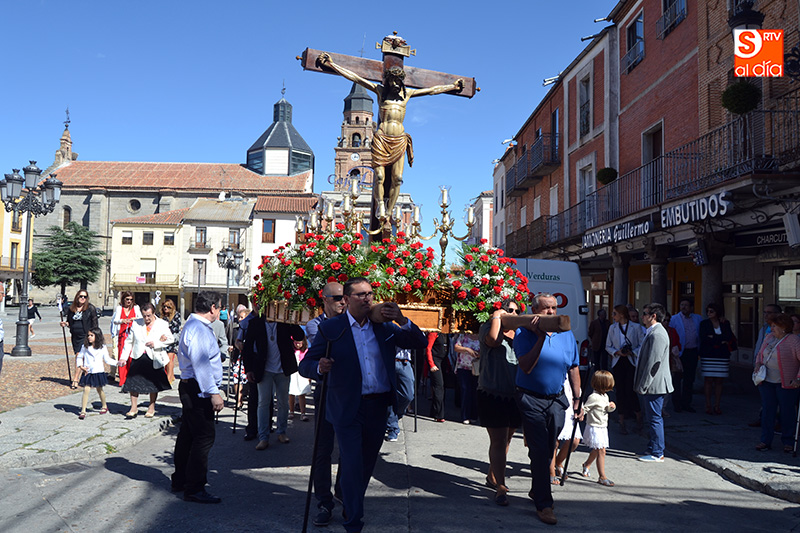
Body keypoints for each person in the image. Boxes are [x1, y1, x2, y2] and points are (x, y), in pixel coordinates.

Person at [298, 277, 426, 533]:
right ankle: (354, 521)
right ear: (346, 300)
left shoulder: (384, 328)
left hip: (378, 407)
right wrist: (319, 367)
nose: (367, 298)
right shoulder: (332, 328)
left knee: (366, 464)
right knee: (353, 464)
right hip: (347, 407)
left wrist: (401, 319)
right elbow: (305, 365)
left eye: (369, 293)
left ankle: (349, 501)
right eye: (360, 294)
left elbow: (419, 342)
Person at [316, 50, 464, 226]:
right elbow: (356, 78)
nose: (394, 84)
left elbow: (432, 90)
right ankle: (380, 206)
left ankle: (388, 211)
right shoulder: (380, 92)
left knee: (398, 179)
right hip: (381, 138)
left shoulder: (407, 95)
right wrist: (332, 65)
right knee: (378, 176)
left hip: (399, 140)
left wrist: (453, 87)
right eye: (391, 81)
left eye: (397, 81)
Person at [513, 293, 581, 526]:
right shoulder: (523, 332)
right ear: (535, 312)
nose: (551, 312)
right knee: (541, 450)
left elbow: (573, 367)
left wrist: (577, 397)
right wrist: (540, 338)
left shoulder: (566, 333)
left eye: (554, 308)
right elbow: (526, 366)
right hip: (530, 399)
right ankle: (544, 503)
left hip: (557, 400)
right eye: (546, 309)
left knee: (548, 447)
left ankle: (536, 488)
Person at [171, 290, 225, 503]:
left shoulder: (194, 326)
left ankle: (181, 480)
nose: (219, 311)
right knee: (203, 438)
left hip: (191, 387)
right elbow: (201, 365)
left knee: (188, 435)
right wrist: (214, 393)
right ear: (212, 308)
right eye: (219, 307)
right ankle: (194, 487)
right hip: (198, 389)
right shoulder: (200, 330)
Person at [304, 282, 346, 527]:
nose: (343, 302)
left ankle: (342, 490)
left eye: (345, 297)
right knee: (322, 450)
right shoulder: (316, 326)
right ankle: (323, 501)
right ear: (325, 301)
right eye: (338, 298)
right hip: (326, 393)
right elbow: (308, 363)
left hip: (350, 396)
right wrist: (320, 367)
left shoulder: (354, 324)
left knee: (349, 449)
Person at [476, 300, 521, 507]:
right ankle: (500, 486)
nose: (512, 313)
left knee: (507, 438)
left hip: (515, 394)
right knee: (499, 440)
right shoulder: (488, 327)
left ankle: (492, 475)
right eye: (508, 310)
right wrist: (497, 316)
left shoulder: (520, 332)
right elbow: (493, 340)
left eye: (515, 311)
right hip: (492, 392)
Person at [243, 313, 304, 450]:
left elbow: (299, 335)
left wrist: (290, 319)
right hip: (264, 369)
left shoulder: (283, 321)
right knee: (263, 403)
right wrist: (249, 370)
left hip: (283, 369)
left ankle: (282, 432)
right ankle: (263, 437)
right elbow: (247, 348)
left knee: (283, 402)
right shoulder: (256, 323)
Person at [753, 313, 800, 453]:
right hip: (767, 381)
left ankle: (788, 441)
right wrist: (757, 365)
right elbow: (760, 355)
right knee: (768, 411)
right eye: (771, 325)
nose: (771, 328)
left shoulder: (794, 341)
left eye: (774, 326)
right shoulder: (769, 338)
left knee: (787, 413)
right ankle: (765, 441)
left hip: (787, 383)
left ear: (784, 327)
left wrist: (798, 378)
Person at [634, 303, 674, 463]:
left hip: (655, 384)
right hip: (653, 383)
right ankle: (652, 447)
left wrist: (643, 385)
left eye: (645, 313)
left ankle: (658, 452)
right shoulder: (652, 332)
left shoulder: (657, 334)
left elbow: (653, 363)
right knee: (651, 417)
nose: (642, 316)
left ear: (654, 316)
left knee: (655, 418)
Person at [121, 303, 174, 419]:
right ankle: (133, 408)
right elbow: (129, 341)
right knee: (133, 383)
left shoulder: (162, 324)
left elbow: (171, 339)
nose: (146, 318)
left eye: (149, 316)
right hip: (138, 355)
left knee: (152, 384)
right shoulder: (136, 323)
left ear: (154, 313)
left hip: (154, 356)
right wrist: (123, 357)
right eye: (144, 316)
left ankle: (151, 407)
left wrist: (157, 343)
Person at [605, 304, 645, 434]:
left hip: (631, 361)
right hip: (618, 361)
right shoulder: (612, 328)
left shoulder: (636, 327)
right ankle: (621, 421)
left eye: (615, 313)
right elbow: (608, 346)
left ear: (621, 314)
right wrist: (617, 352)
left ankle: (639, 418)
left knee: (630, 390)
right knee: (620, 391)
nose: (613, 316)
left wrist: (632, 352)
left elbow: (642, 344)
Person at [580, 370, 616, 486]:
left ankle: (587, 464)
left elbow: (605, 409)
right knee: (601, 450)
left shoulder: (605, 396)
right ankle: (602, 476)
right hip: (595, 427)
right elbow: (585, 408)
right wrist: (580, 414)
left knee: (597, 450)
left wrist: (611, 407)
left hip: (602, 427)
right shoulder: (594, 397)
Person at [699, 303, 734, 415]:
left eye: (711, 311)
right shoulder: (704, 323)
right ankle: (708, 405)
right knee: (708, 380)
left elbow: (728, 337)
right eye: (708, 311)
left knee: (719, 381)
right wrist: (719, 340)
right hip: (708, 355)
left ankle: (717, 405)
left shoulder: (724, 323)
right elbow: (704, 338)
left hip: (722, 356)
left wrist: (713, 338)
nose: (709, 313)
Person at [76, 327, 117, 420]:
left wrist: (117, 363)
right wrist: (81, 366)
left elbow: (107, 359)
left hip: (98, 371)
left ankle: (104, 405)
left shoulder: (102, 347)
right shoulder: (85, 347)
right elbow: (79, 357)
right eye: (88, 335)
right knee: (86, 389)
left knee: (100, 389)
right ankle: (83, 410)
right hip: (88, 371)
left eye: (92, 335)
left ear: (97, 336)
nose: (89, 337)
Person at [61, 290, 99, 390]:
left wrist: (93, 336)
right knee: (83, 357)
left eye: (85, 297)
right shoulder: (72, 308)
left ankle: (76, 379)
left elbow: (95, 324)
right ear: (77, 297)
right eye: (81, 296)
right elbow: (70, 321)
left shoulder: (90, 308)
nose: (83, 298)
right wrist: (65, 324)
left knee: (79, 356)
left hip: (85, 335)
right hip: (75, 336)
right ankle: (87, 376)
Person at [671, 298, 702, 412]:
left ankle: (687, 403)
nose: (683, 307)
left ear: (691, 307)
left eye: (686, 305)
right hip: (679, 353)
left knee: (689, 379)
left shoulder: (697, 318)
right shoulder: (674, 319)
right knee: (677, 378)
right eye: (682, 304)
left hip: (692, 351)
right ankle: (677, 403)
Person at [551, 377, 581, 485]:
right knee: (554, 441)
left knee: (574, 440)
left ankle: (558, 462)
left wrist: (579, 405)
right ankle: (551, 472)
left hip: (570, 406)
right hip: (555, 401)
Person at [111, 291, 142, 386]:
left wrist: (134, 319)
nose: (129, 301)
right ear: (123, 299)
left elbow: (141, 318)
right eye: (127, 299)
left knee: (132, 358)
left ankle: (131, 378)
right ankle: (123, 380)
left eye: (131, 299)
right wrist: (122, 320)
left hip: (133, 335)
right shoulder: (120, 308)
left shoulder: (136, 308)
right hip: (122, 335)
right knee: (122, 357)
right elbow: (115, 321)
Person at [385, 346, 414, 442]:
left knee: (408, 395)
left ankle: (397, 415)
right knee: (389, 394)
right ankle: (392, 427)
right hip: (389, 360)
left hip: (405, 362)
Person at [454, 333, 480, 424]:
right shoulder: (463, 336)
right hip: (463, 367)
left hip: (476, 368)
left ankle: (474, 415)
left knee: (475, 391)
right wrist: (467, 350)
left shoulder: (482, 336)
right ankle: (465, 416)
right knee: (465, 391)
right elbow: (456, 347)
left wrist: (479, 354)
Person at [663, 312, 683, 415]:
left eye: (668, 320)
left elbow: (678, 344)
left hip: (670, 361)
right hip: (659, 362)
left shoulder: (672, 331)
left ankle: (664, 407)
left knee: (667, 387)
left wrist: (675, 350)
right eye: (664, 320)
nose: (666, 322)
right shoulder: (657, 331)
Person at [288, 337, 311, 421]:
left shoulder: (305, 351)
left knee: (302, 394)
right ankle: (291, 411)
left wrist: (309, 376)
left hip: (302, 374)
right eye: (296, 342)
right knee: (291, 393)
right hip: (293, 373)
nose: (298, 344)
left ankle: (303, 413)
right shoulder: (291, 351)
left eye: (300, 343)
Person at [160, 299, 182, 384]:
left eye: (168, 307)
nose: (166, 308)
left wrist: (168, 337)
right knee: (164, 359)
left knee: (169, 359)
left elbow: (176, 329)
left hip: (173, 340)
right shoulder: (161, 317)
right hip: (163, 341)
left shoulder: (176, 316)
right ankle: (171, 376)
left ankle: (168, 378)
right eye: (164, 306)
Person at [427, 331, 447, 422]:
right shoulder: (434, 333)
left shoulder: (445, 334)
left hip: (443, 362)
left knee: (442, 387)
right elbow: (428, 349)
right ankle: (439, 414)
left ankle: (435, 411)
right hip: (435, 361)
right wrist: (431, 364)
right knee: (439, 386)